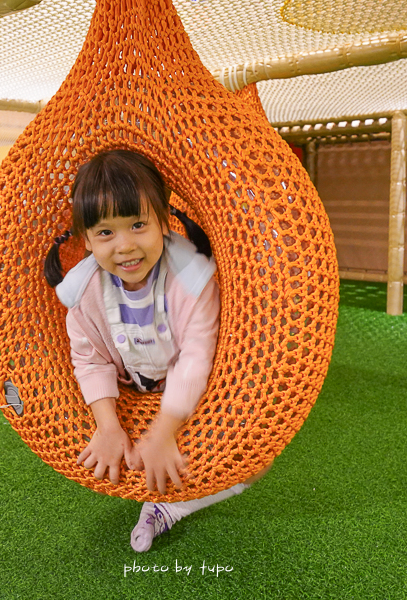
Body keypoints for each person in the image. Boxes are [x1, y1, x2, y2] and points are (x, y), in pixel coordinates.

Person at [44, 149, 264, 552]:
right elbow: (89, 357)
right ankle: (161, 503)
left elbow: (196, 356)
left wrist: (164, 431)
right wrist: (108, 426)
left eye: (138, 225)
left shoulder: (190, 280)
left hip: (192, 384)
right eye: (105, 233)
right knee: (124, 458)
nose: (125, 246)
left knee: (255, 459)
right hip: (134, 383)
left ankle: (170, 509)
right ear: (87, 241)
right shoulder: (86, 291)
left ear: (164, 221)